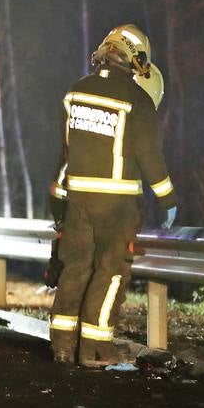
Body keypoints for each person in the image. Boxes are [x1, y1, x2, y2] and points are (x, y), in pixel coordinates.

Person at [49, 24, 177, 367]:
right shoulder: (137, 100)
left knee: (74, 269)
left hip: (77, 200)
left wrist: (58, 197)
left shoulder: (75, 92)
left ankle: (62, 346)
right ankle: (94, 348)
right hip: (117, 206)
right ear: (136, 59)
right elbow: (150, 155)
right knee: (110, 273)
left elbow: (66, 152)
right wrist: (167, 198)